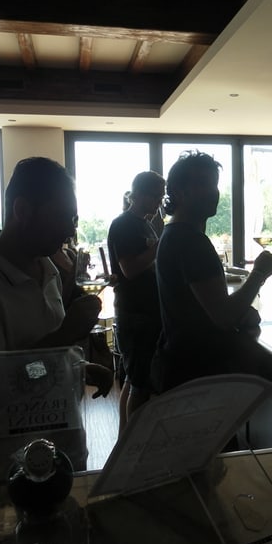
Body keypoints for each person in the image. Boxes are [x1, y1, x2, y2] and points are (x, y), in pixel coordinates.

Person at [0, 156, 113, 484]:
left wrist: (78, 368)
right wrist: (66, 335)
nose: (71, 229)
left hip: (63, 461)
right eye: (63, 217)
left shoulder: (48, 270)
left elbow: (35, 359)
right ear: (22, 210)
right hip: (5, 477)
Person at [152, 150, 272, 392]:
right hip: (196, 372)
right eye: (202, 183)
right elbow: (224, 317)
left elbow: (197, 307)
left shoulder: (172, 233)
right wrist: (259, 273)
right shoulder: (192, 241)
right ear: (178, 192)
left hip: (177, 364)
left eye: (214, 183)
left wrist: (241, 312)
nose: (213, 191)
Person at [107, 171, 165, 431]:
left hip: (142, 312)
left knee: (134, 379)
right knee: (140, 387)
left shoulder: (143, 224)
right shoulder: (125, 224)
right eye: (156, 197)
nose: (159, 203)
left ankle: (124, 440)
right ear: (139, 194)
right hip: (136, 313)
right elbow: (129, 269)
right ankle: (135, 446)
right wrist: (160, 245)